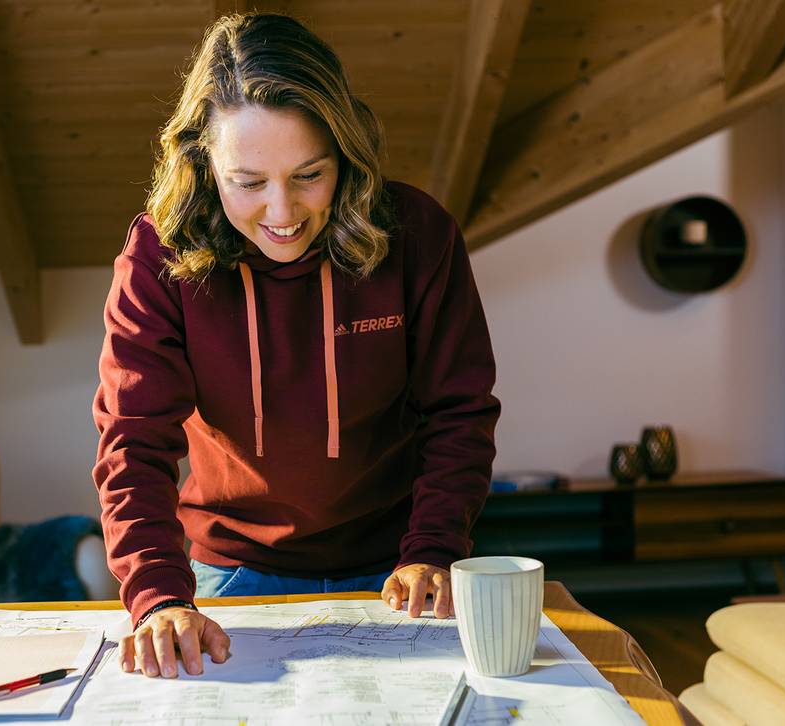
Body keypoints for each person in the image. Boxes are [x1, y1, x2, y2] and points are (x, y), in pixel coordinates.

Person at [92, 13, 500, 680]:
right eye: (248, 183)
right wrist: (159, 596)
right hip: (227, 571)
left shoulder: (419, 235)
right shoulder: (157, 258)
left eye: (309, 174)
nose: (281, 214)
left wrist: (432, 548)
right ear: (202, 162)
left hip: (401, 568)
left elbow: (459, 412)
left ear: (347, 153)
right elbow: (131, 441)